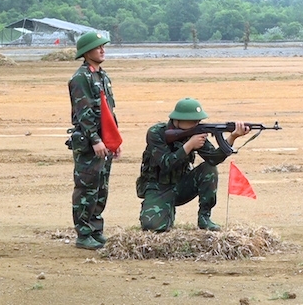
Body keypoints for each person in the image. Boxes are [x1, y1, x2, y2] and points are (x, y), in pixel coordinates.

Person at [137, 98, 251, 232]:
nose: (196, 123)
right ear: (177, 120)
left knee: (209, 168)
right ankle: (166, 212)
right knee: (152, 227)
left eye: (198, 120)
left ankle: (204, 218)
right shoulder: (157, 133)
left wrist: (232, 138)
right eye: (192, 121)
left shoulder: (195, 133)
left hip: (182, 185)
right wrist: (189, 145)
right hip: (157, 187)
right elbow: (165, 163)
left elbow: (213, 159)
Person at [68, 32, 121, 250]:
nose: (102, 50)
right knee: (87, 187)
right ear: (86, 52)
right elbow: (84, 113)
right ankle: (83, 233)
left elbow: (109, 112)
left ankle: (96, 229)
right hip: (90, 143)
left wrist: (113, 141)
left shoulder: (102, 76)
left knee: (101, 187)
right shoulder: (81, 78)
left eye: (103, 46)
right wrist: (96, 140)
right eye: (98, 47)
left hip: (104, 141)